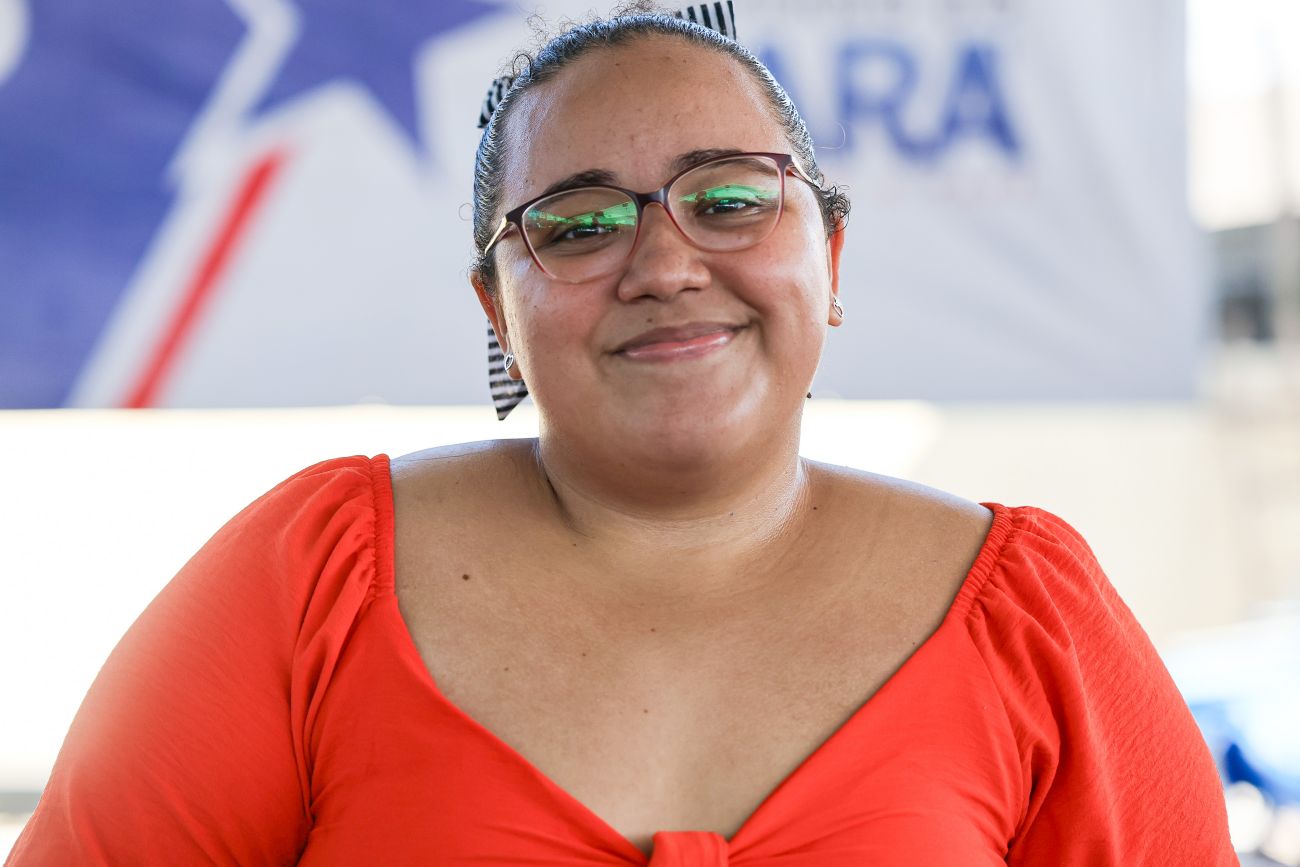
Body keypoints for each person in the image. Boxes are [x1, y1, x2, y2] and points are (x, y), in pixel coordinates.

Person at [7, 5, 1236, 866]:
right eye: (578, 224)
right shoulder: (311, 580)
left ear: (830, 253)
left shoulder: (1031, 615)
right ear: (497, 307)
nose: (663, 264)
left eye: (730, 199)